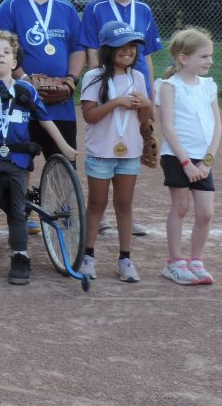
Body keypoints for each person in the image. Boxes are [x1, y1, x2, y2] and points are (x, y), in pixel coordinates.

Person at [0, 30, 78, 286]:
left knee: (19, 211)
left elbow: (45, 119)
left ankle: (20, 255)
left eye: (7, 52)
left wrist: (64, 146)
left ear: (15, 61)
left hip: (18, 160)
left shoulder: (26, 90)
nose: (1, 56)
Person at [0, 0, 84, 235]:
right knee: (18, 160)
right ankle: (21, 212)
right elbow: (1, 46)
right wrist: (25, 80)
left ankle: (62, 211)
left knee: (63, 159)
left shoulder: (66, 9)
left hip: (61, 103)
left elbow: (77, 48)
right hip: (21, 100)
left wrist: (70, 79)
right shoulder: (11, 5)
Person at [79, 0, 162, 237]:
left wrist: (149, 94)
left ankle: (125, 213)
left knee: (133, 145)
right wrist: (101, 84)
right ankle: (99, 216)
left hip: (136, 85)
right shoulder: (95, 7)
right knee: (106, 142)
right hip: (107, 83)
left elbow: (147, 55)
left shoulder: (144, 10)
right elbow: (92, 48)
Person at [78, 21, 152, 283]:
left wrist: (145, 104)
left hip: (129, 151)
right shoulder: (93, 76)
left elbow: (146, 118)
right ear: (108, 49)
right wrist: (116, 102)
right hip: (101, 152)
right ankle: (87, 256)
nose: (128, 51)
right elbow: (90, 116)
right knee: (96, 204)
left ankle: (125, 258)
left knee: (124, 204)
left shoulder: (138, 77)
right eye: (122, 46)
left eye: (132, 46)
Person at [156, 27, 219, 285]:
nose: (210, 61)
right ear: (183, 58)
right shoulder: (169, 86)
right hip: (176, 157)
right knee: (180, 207)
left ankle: (196, 260)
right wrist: (186, 163)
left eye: (210, 56)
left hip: (203, 161)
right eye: (203, 56)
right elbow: (168, 127)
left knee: (205, 213)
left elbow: (217, 126)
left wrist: (207, 161)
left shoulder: (209, 85)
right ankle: (175, 262)